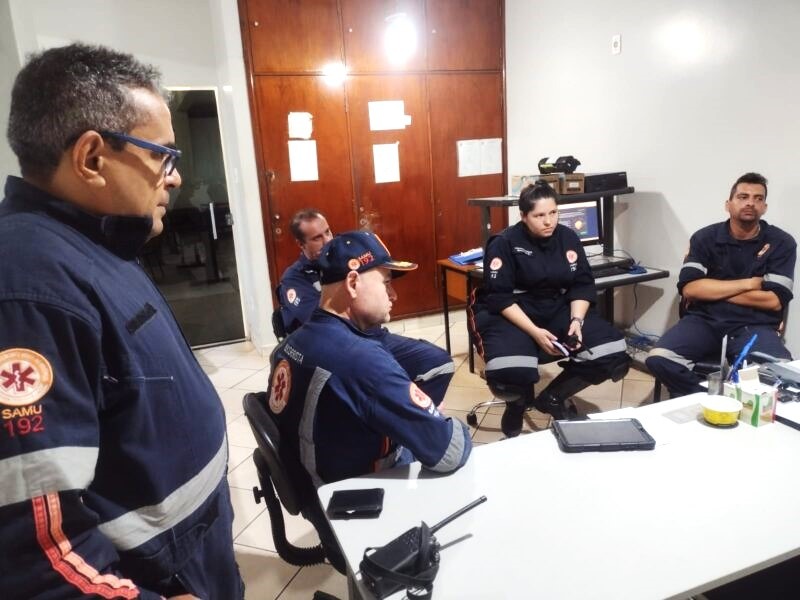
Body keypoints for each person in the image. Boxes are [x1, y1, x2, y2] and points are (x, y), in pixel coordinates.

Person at [0, 44, 242, 599]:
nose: (174, 178)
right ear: (91, 158)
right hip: (155, 580)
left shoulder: (95, 245)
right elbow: (33, 548)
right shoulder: (30, 292)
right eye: (163, 155)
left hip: (189, 555)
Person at [266, 230, 472, 496]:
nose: (394, 295)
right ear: (352, 283)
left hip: (314, 477)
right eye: (386, 283)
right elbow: (450, 452)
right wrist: (442, 421)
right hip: (352, 492)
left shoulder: (290, 343)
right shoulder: (363, 361)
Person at [470, 181, 630, 437]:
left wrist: (577, 321)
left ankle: (553, 397)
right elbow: (499, 298)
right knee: (509, 373)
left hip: (554, 306)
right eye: (539, 215)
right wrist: (535, 332)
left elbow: (582, 284)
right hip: (513, 311)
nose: (548, 221)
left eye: (553, 213)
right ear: (523, 216)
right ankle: (517, 404)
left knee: (613, 354)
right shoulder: (504, 242)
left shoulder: (567, 237)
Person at [277, 208, 455, 405]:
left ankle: (405, 412)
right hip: (336, 347)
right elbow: (322, 322)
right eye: (316, 238)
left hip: (371, 335)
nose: (327, 241)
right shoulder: (294, 278)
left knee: (439, 362)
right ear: (301, 244)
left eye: (328, 232)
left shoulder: (343, 261)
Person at [646, 172, 796, 397]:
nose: (750, 203)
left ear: (764, 207)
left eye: (758, 198)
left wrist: (711, 289)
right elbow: (691, 289)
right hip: (704, 321)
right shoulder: (704, 238)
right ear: (728, 204)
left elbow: (774, 301)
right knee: (658, 359)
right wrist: (749, 284)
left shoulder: (781, 242)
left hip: (754, 325)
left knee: (782, 375)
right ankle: (708, 399)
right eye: (743, 196)